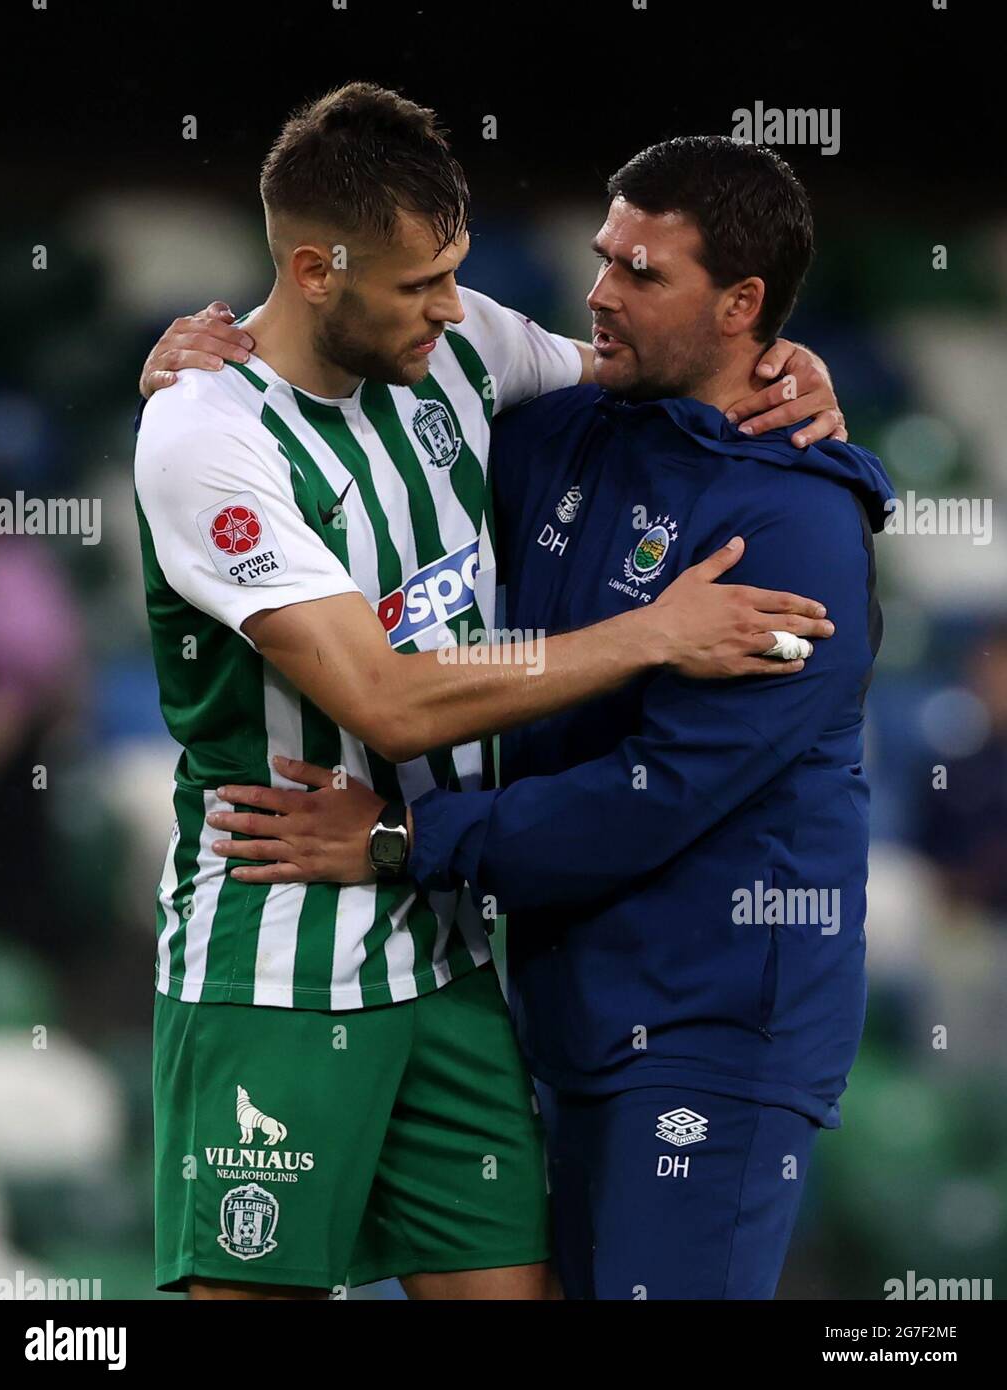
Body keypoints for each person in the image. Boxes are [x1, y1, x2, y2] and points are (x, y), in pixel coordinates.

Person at [187, 135, 892, 1300]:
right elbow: (340, 389)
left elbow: (657, 796)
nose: (600, 292)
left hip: (715, 1036)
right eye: (603, 257)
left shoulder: (797, 527)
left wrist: (402, 844)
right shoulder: (567, 434)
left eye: (643, 274)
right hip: (566, 1015)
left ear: (743, 304)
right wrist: (217, 362)